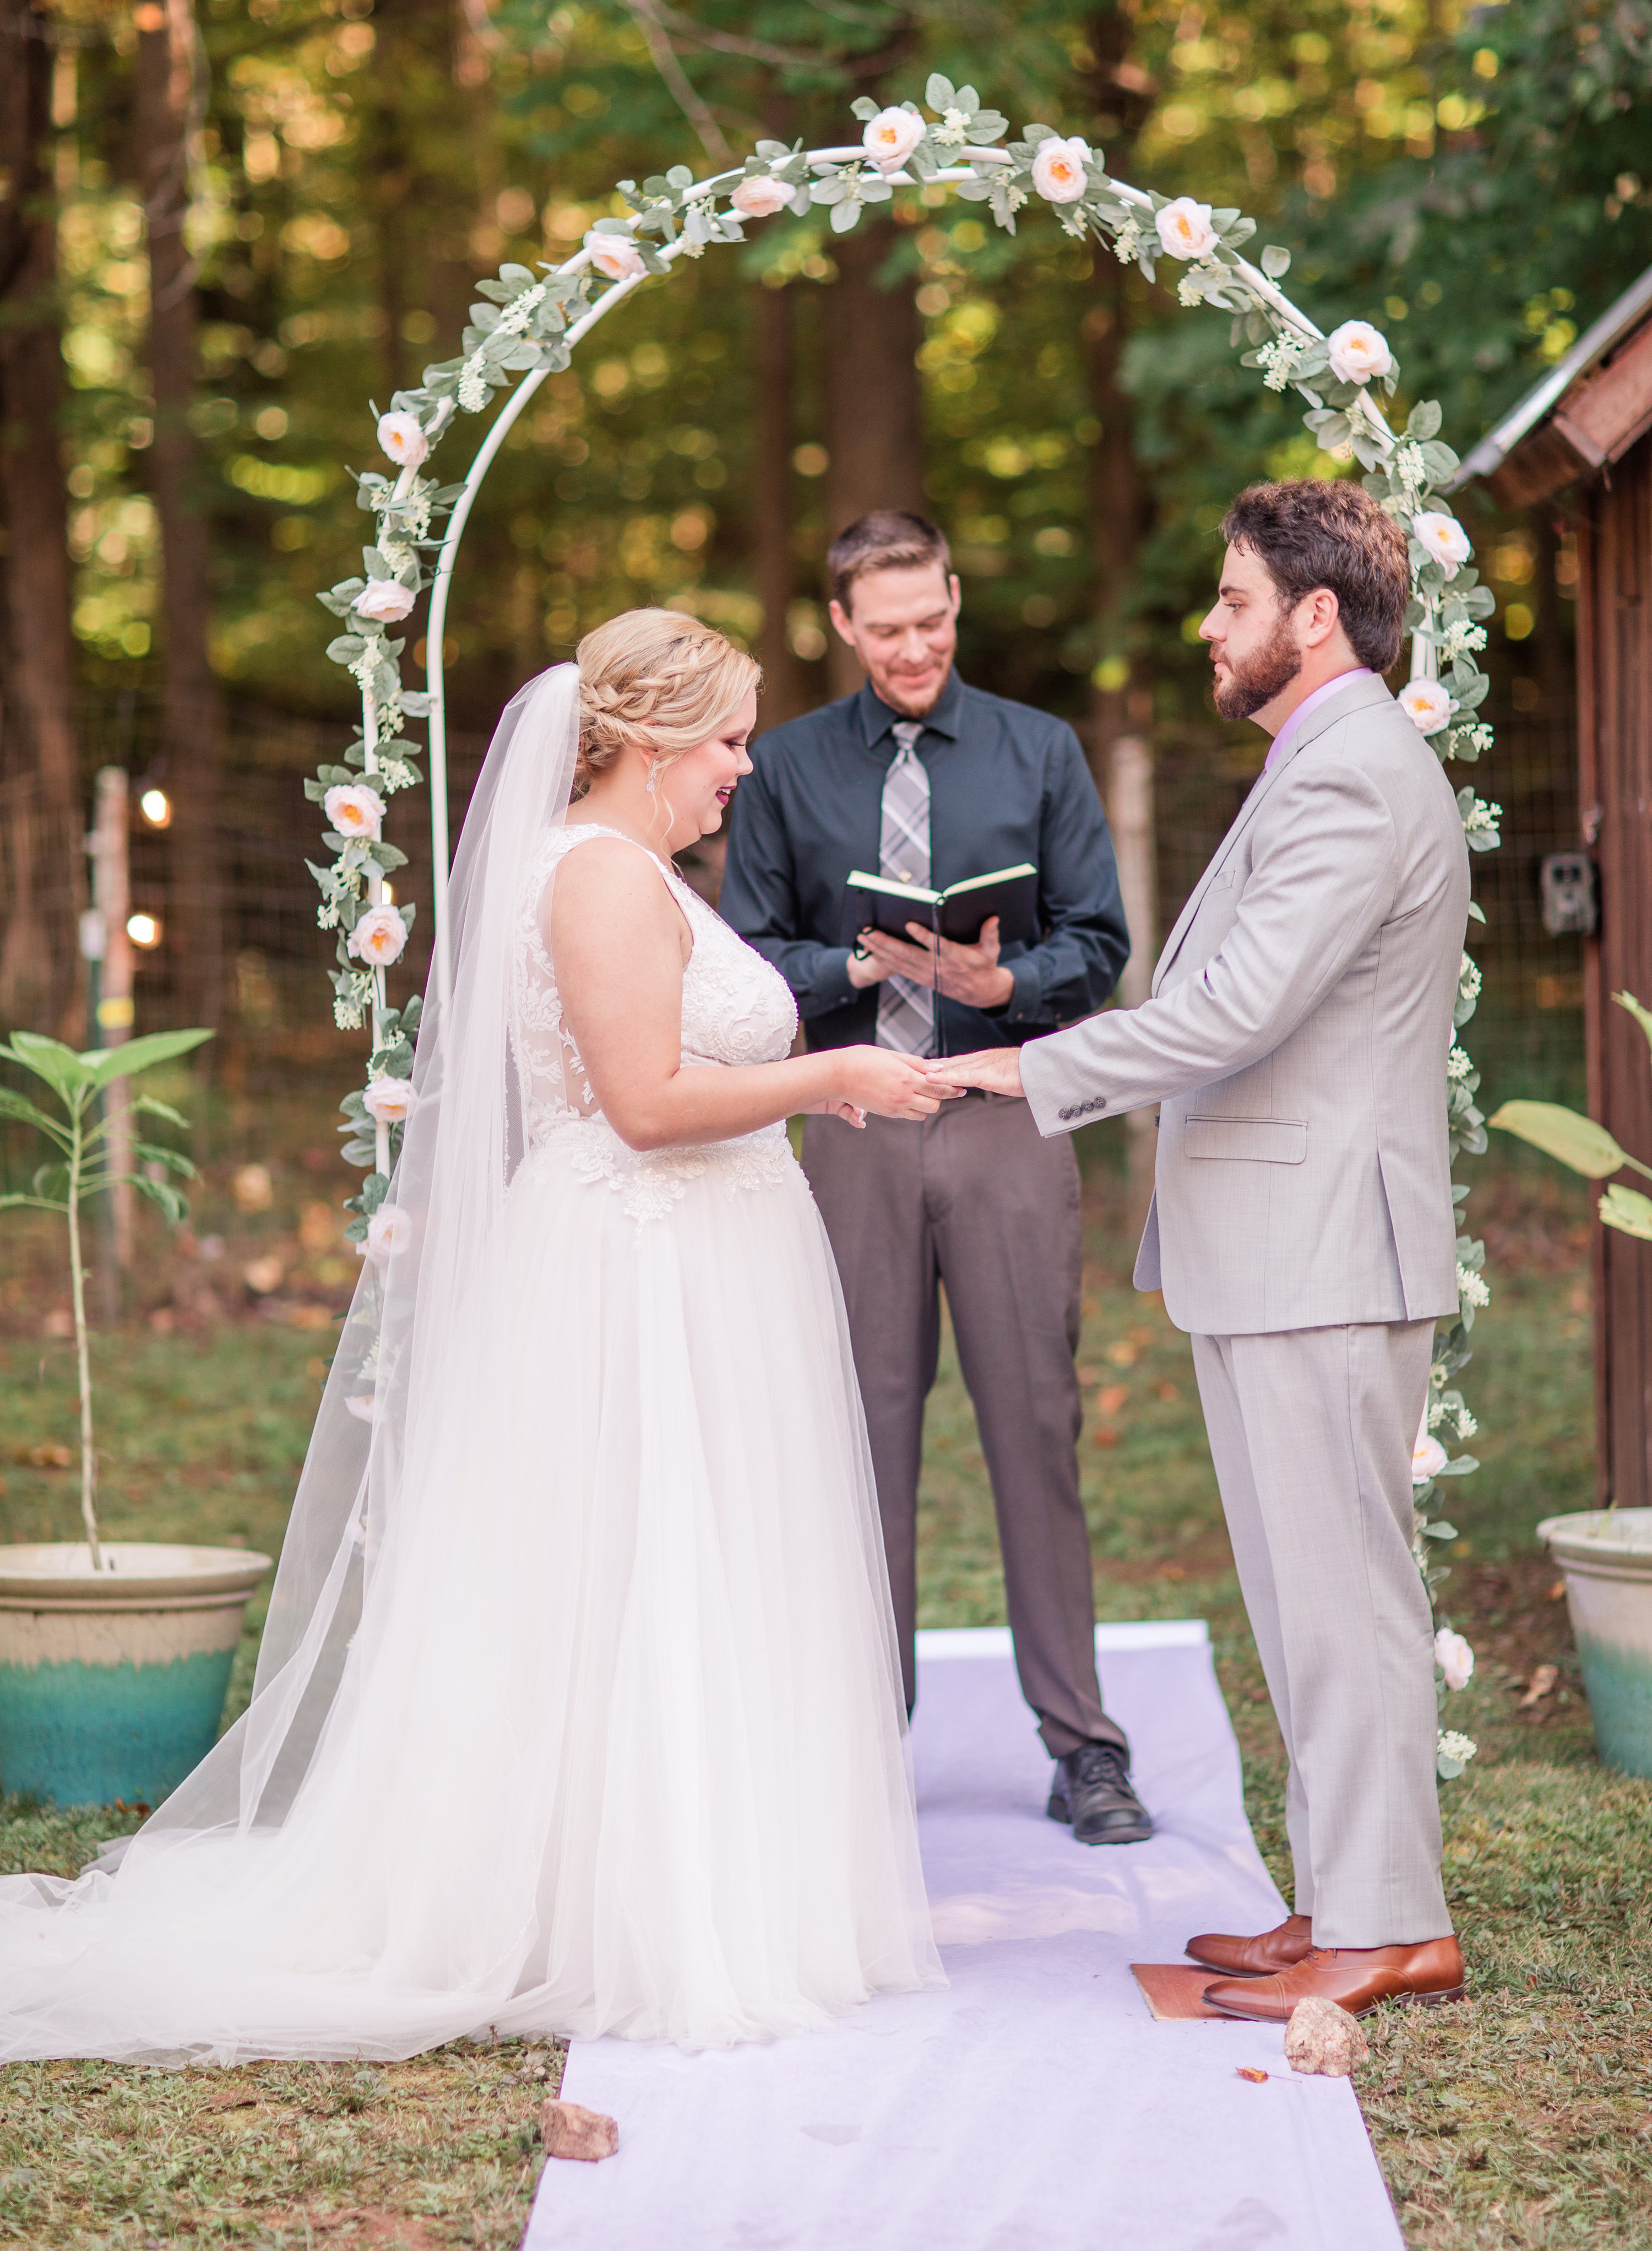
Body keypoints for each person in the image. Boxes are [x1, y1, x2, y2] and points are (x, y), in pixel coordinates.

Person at [0, 613, 950, 2065]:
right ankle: (625, 1912)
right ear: (645, 738)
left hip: (703, 1251)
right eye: (727, 740)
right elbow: (640, 1100)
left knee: (695, 1564)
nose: (743, 772)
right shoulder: (595, 882)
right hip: (642, 1259)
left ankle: (696, 1881)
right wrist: (836, 1078)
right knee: (641, 1564)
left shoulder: (636, 873)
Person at [934, 479, 1470, 2018]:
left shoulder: (1356, 773)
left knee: (1345, 1593)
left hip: (1321, 1244)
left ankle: (1392, 1922)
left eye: (1233, 600)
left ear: (1314, 616)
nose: (1208, 625)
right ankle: (1346, 1899)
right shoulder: (1322, 761)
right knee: (1306, 1597)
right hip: (1283, 1241)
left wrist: (1023, 1066)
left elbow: (1242, 1007)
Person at [721, 510, 1150, 1846]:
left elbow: (1104, 940)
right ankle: (859, 1742)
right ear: (843, 625)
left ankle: (1084, 1746)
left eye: (934, 620)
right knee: (862, 1437)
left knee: (1035, 1425)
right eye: (888, 628)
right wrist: (846, 969)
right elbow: (740, 959)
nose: (916, 648)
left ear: (957, 598)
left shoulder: (1040, 747)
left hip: (1002, 1111)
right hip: (852, 1119)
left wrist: (1005, 980)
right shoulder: (783, 769)